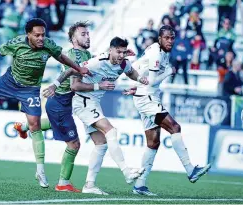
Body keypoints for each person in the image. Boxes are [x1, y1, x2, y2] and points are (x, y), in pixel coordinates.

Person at [0, 18, 91, 188]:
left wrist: (78, 68)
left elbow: (62, 57)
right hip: (10, 81)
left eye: (43, 35)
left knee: (35, 125)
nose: (40, 38)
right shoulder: (16, 43)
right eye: (37, 35)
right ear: (28, 34)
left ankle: (40, 170)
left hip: (30, 89)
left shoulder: (49, 45)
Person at [13, 21, 115, 193]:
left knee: (57, 126)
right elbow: (75, 86)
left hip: (66, 103)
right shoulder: (75, 56)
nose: (87, 36)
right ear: (73, 39)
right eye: (83, 34)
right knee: (74, 144)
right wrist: (100, 86)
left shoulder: (86, 54)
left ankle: (24, 127)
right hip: (60, 102)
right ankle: (63, 183)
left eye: (88, 33)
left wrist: (116, 56)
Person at [43, 37, 149, 195]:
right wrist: (55, 85)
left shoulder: (124, 63)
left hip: (94, 103)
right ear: (110, 49)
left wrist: (140, 79)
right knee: (111, 131)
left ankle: (89, 185)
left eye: (123, 52)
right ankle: (126, 172)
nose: (120, 55)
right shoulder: (97, 61)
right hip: (83, 101)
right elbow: (73, 78)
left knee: (101, 144)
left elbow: (131, 72)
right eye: (118, 51)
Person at [124, 25, 211, 196]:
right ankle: (190, 170)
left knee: (153, 142)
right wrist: (169, 72)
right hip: (147, 98)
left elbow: (138, 66)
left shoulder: (161, 52)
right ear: (159, 39)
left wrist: (135, 86)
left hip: (146, 96)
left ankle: (140, 185)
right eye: (166, 38)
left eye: (172, 38)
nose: (170, 41)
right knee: (175, 127)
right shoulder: (156, 53)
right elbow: (153, 80)